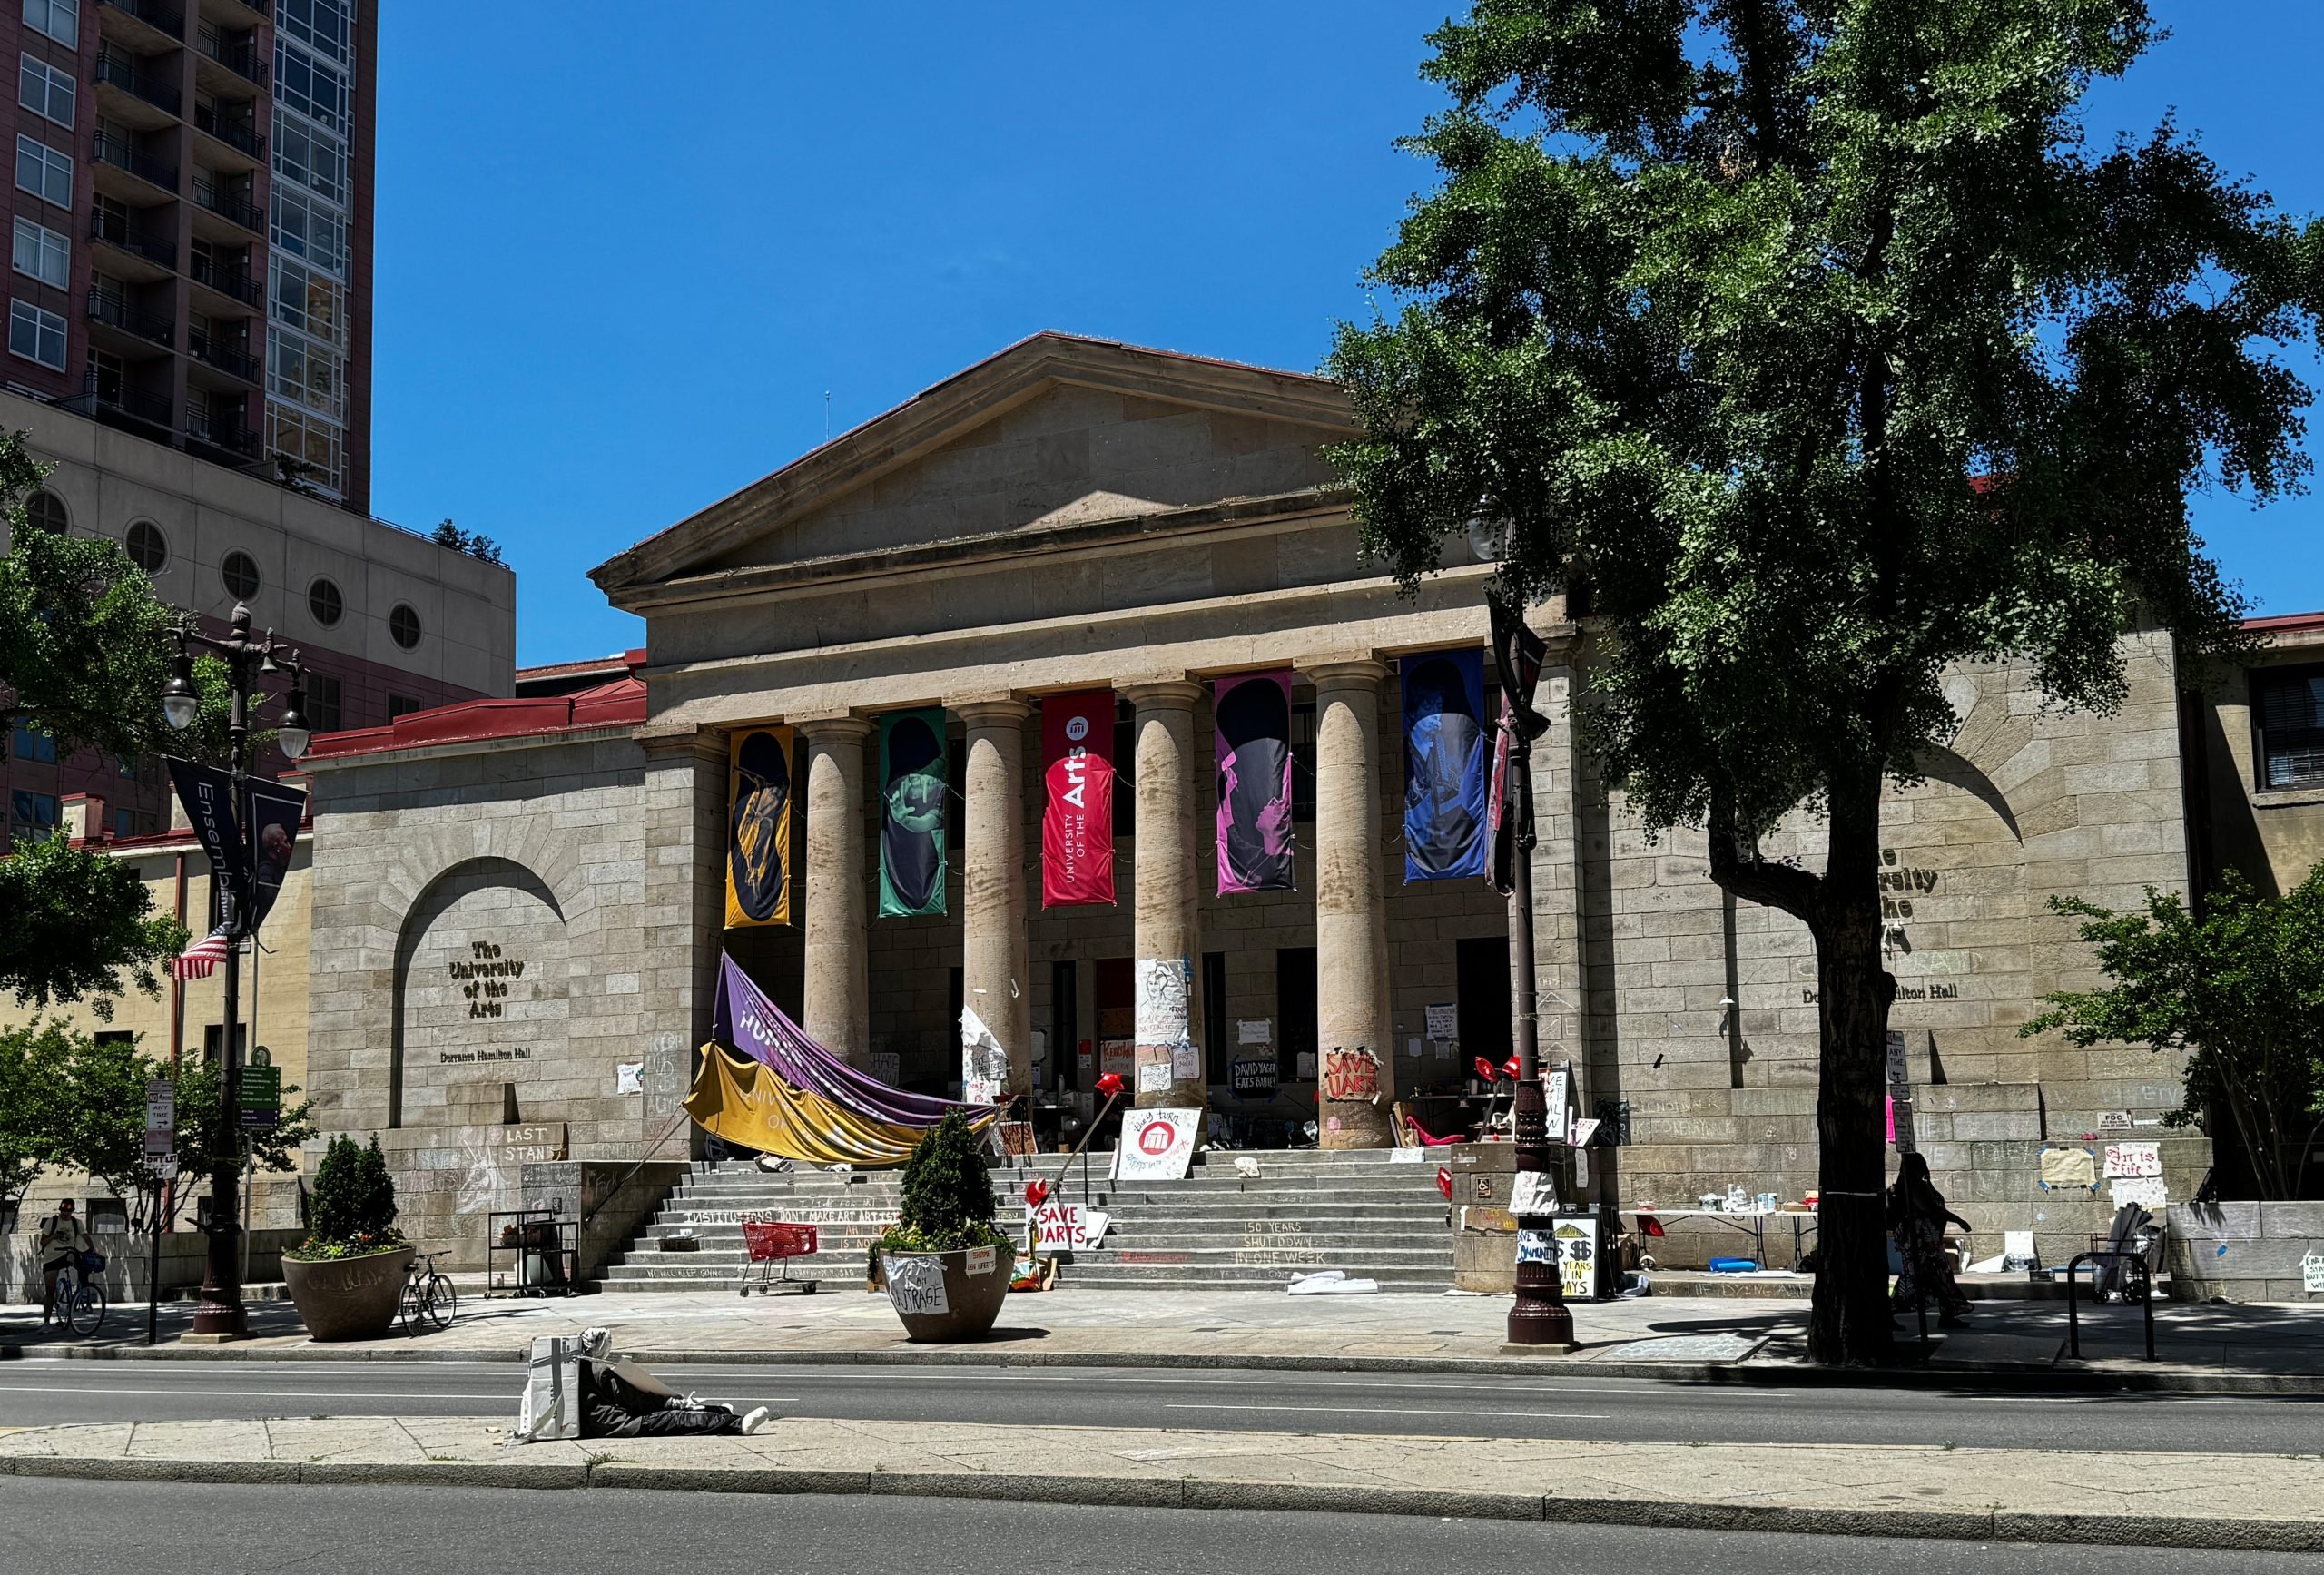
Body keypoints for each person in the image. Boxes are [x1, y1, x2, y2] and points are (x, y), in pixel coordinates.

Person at [1886, 1152, 1974, 1326]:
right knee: (1920, 1279)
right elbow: (1930, 1209)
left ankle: (1948, 1313)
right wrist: (1958, 1220)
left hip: (1929, 1243)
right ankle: (1889, 1311)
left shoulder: (1920, 1185)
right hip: (1921, 1244)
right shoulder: (1914, 1186)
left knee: (1938, 1278)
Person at [39, 1200, 93, 1326]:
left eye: (68, 1212)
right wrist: (54, 1236)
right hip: (51, 1257)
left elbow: (85, 1236)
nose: (65, 1214)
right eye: (63, 1211)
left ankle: (83, 1293)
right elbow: (43, 1242)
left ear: (72, 1211)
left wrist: (92, 1249)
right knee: (50, 1292)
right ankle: (46, 1323)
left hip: (67, 1255)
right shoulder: (52, 1222)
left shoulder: (76, 1223)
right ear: (60, 1210)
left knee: (82, 1264)